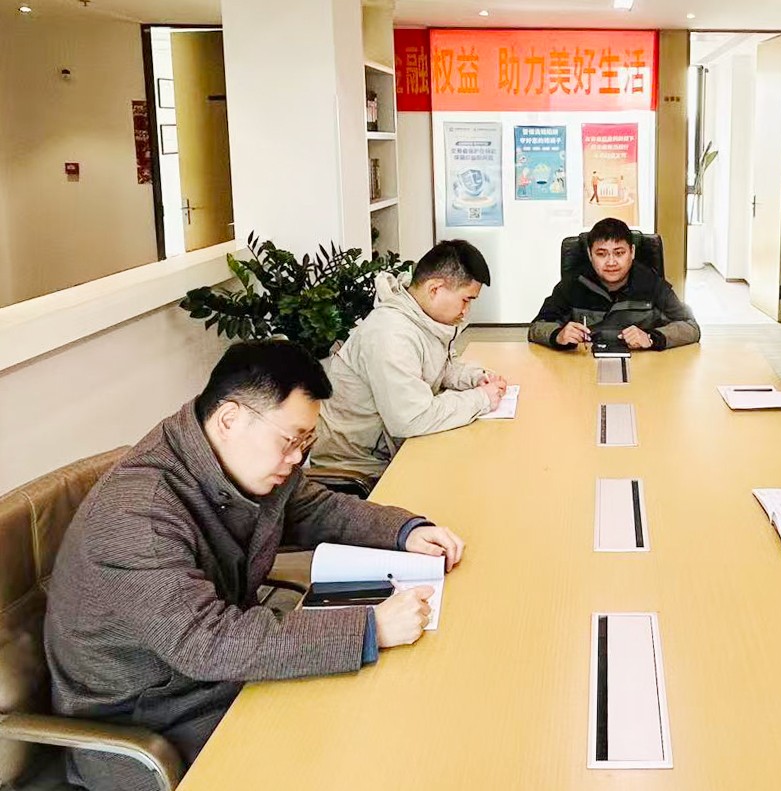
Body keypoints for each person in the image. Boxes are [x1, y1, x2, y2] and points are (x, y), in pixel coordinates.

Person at [44, 340, 465, 791]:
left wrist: (404, 531)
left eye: (305, 442)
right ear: (230, 418)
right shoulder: (139, 516)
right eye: (290, 440)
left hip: (216, 679)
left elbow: (313, 508)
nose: (297, 458)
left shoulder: (231, 457)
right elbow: (206, 643)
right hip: (151, 720)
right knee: (357, 750)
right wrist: (370, 628)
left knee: (388, 713)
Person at [313, 239, 507, 478]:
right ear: (435, 289)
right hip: (361, 469)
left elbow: (439, 367)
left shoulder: (422, 316)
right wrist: (481, 399)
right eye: (466, 300)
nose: (466, 311)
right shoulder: (390, 332)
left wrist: (474, 378)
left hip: (395, 449)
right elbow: (412, 418)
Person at [528, 218, 701, 351]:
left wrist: (651, 338)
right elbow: (536, 327)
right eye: (601, 254)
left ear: (632, 252)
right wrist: (558, 335)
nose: (611, 262)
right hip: (583, 367)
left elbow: (691, 327)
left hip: (642, 366)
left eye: (619, 253)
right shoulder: (573, 284)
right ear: (589, 254)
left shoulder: (652, 283)